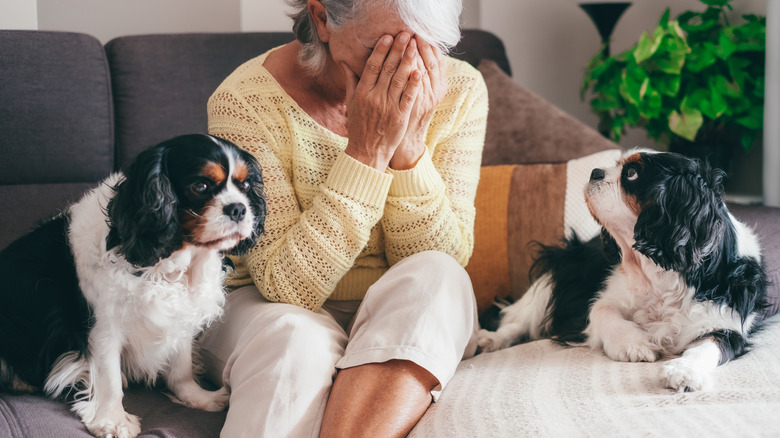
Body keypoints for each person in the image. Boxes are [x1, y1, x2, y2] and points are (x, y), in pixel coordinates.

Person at [200, 0, 488, 435]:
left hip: (398, 309)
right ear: (322, 19)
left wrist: (408, 148)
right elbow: (285, 286)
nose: (404, 67)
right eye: (383, 47)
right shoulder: (243, 103)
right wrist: (367, 152)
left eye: (423, 47)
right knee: (295, 339)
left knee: (441, 275)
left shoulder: (460, 89)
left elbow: (441, 258)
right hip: (264, 304)